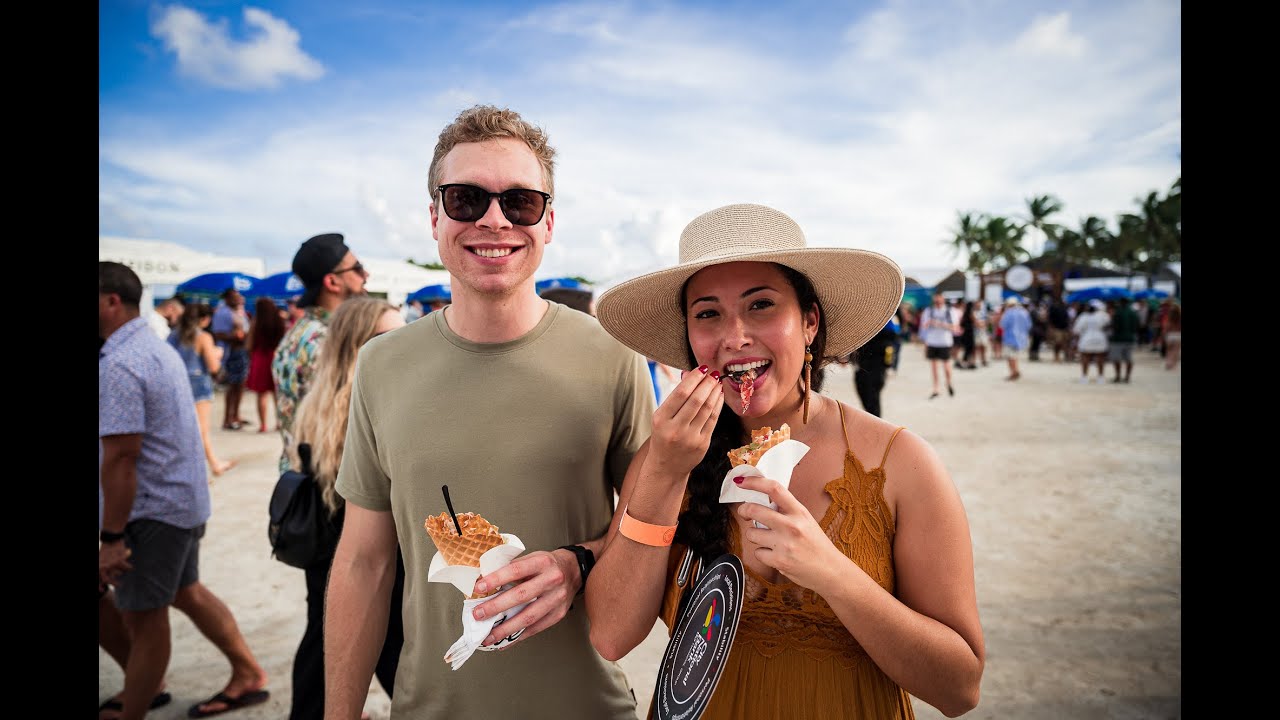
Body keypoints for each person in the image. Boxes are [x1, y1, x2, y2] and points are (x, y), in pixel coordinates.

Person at [588, 203, 985, 719]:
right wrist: (664, 472)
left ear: (810, 322)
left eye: (761, 306)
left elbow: (959, 688)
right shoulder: (666, 456)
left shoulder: (899, 462)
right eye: (708, 314)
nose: (735, 337)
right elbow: (612, 635)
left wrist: (831, 573)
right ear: (689, 336)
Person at [324, 104, 654, 719]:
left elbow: (654, 529)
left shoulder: (613, 356)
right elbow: (364, 562)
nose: (494, 219)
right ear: (435, 217)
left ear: (548, 221)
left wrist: (578, 562)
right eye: (466, 199)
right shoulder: (381, 364)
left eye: (520, 202)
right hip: (430, 706)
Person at [99, 262, 270, 720]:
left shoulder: (122, 362)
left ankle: (140, 700)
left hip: (149, 510)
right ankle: (246, 672)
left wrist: (111, 537)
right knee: (184, 592)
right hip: (177, 501)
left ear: (111, 301)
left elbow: (121, 459)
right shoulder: (152, 347)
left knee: (145, 617)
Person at [285, 297, 406, 720]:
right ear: (358, 344)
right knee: (385, 647)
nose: (401, 343)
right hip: (358, 544)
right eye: (386, 336)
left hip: (323, 545)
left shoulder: (319, 397)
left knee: (323, 642)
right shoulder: (370, 398)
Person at [271, 232, 369, 474]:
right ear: (332, 282)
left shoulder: (299, 333)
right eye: (357, 268)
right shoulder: (327, 342)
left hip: (299, 475)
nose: (366, 275)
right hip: (323, 480)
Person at [167, 303, 236, 476]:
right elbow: (213, 367)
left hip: (177, 382)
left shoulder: (173, 335)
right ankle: (205, 469)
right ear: (204, 320)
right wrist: (217, 354)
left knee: (183, 429)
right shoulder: (203, 337)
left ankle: (209, 464)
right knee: (201, 430)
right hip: (198, 382)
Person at [245, 296, 286, 432]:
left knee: (262, 394)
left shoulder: (256, 323)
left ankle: (263, 425)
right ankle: (279, 423)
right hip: (275, 357)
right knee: (276, 393)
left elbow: (249, 344)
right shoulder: (279, 320)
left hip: (260, 359)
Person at [211, 287, 250, 429]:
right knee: (232, 386)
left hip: (240, 352)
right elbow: (218, 334)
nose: (239, 299)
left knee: (239, 386)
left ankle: (235, 416)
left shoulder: (238, 312)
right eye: (235, 297)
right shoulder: (223, 313)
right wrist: (236, 337)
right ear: (227, 299)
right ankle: (228, 419)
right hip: (231, 353)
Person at [853, 318, 899, 418]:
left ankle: (875, 421)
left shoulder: (889, 320)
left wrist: (892, 366)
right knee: (864, 392)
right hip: (862, 364)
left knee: (872, 396)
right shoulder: (860, 318)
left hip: (878, 364)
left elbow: (894, 343)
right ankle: (873, 420)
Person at [919, 290, 956, 398]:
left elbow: (954, 327)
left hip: (945, 341)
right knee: (934, 366)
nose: (937, 302)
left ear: (943, 299)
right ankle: (936, 388)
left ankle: (948, 382)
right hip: (932, 341)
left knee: (946, 365)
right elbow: (923, 326)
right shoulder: (929, 311)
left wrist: (938, 323)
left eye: (939, 300)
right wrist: (924, 340)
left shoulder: (949, 311)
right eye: (936, 300)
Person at [1072, 299, 1110, 384]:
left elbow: (1077, 330)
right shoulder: (1103, 315)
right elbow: (1108, 325)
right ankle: (1100, 377)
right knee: (1100, 358)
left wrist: (1076, 341)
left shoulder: (1083, 316)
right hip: (1100, 338)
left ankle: (1084, 377)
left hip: (1086, 338)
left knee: (1085, 358)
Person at [1108, 300, 1141, 383]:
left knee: (1117, 359)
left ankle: (1118, 376)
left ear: (1121, 303)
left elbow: (1115, 326)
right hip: (1130, 338)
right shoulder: (1133, 313)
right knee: (1129, 358)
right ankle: (1127, 377)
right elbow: (1137, 325)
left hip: (1118, 339)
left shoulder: (1117, 313)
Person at [999, 297, 1031, 381]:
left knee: (1010, 356)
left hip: (1010, 338)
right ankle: (1016, 370)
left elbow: (1002, 325)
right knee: (1015, 356)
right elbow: (1029, 325)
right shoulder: (1024, 312)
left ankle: (1013, 372)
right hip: (1021, 339)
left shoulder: (1008, 313)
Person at [1162, 302, 1181, 370]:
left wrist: (1164, 336)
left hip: (1170, 336)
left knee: (1169, 351)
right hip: (1178, 336)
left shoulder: (1169, 318)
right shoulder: (1179, 319)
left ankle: (1168, 363)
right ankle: (1173, 365)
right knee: (1176, 352)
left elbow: (1166, 328)